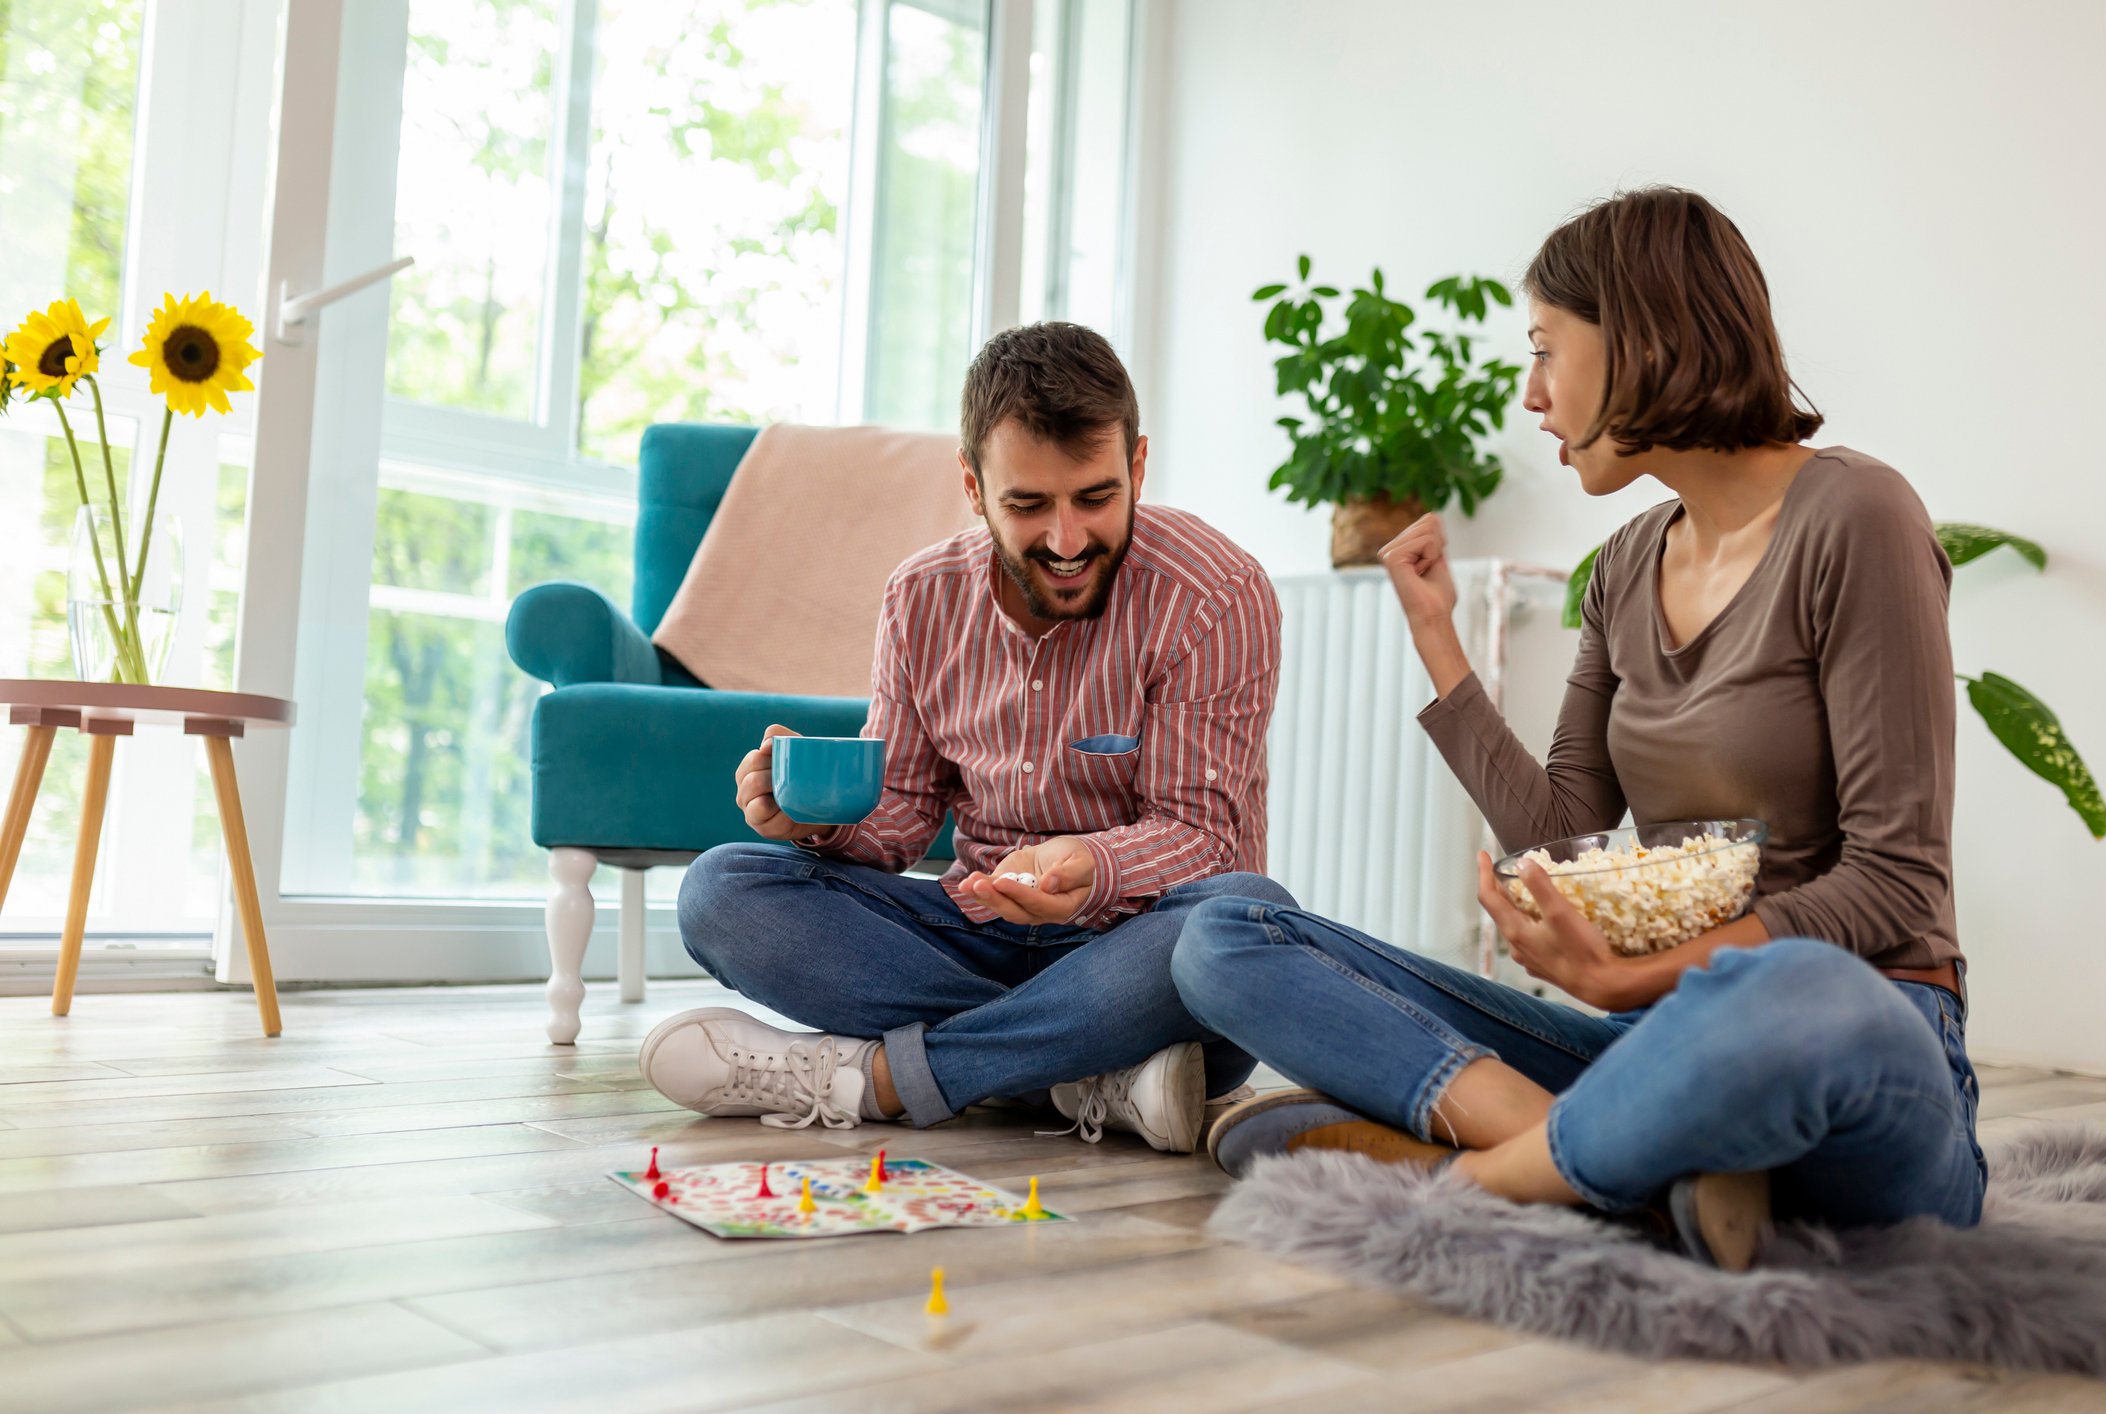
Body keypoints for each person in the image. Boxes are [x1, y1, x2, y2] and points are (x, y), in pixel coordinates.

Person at [1173, 187, 1984, 1270]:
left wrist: (1630, 977)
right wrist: (1437, 640)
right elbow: (1564, 827)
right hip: (1659, 1042)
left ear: (1642, 338)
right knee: (1227, 935)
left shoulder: (1860, 518)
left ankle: (1478, 1175)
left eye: (1548, 349)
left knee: (1789, 991)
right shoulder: (1626, 565)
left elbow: (1896, 883)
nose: (1531, 394)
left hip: (1859, 1042)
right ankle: (1648, 1169)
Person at [640, 321, 1290, 1152]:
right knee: (722, 889)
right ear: (974, 487)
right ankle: (1081, 1073)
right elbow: (901, 814)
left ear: (1136, 468)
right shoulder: (920, 597)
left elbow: (1203, 841)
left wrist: (1090, 865)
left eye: (1094, 497)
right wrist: (813, 822)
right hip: (970, 935)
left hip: (1135, 953)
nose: (1065, 541)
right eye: (1027, 505)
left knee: (1247, 917)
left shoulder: (1214, 594)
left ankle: (871, 1079)